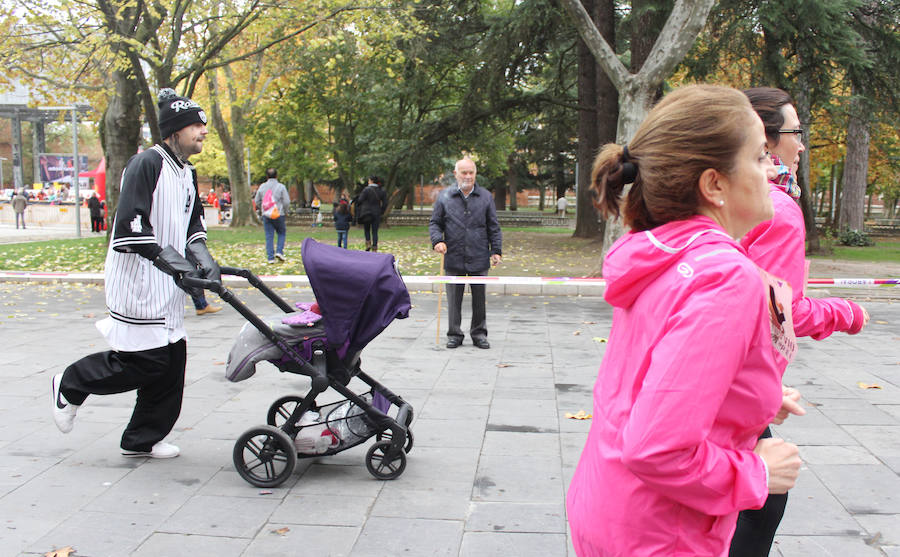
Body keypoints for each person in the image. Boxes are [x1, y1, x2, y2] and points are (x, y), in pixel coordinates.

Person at [565, 85, 803, 556]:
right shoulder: (724, 274)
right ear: (714, 184)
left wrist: (753, 397)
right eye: (758, 158)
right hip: (661, 534)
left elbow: (653, 379)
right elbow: (656, 448)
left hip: (611, 507)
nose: (773, 168)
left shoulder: (665, 250)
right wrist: (757, 471)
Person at [728, 87, 870, 557]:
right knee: (762, 499)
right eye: (796, 132)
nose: (802, 145)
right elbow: (779, 312)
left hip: (721, 368)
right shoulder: (778, 209)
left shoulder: (726, 198)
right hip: (738, 375)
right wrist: (847, 313)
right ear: (765, 142)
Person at [50, 88, 220, 459]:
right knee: (147, 360)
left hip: (169, 282)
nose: (203, 131)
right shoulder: (146, 164)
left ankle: (142, 439)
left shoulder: (187, 173)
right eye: (195, 125)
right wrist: (176, 265)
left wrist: (203, 257)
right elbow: (130, 227)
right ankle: (70, 383)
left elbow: (193, 227)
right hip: (139, 280)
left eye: (204, 125)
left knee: (173, 360)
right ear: (174, 130)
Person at [429, 158, 502, 349]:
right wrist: (438, 240)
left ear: (475, 174)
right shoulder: (444, 197)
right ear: (456, 174)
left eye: (471, 172)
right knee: (454, 299)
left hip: (479, 255)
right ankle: (454, 334)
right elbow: (435, 223)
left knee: (479, 300)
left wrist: (496, 251)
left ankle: (479, 334)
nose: (468, 176)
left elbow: (493, 226)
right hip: (453, 255)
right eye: (464, 172)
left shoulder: (486, 197)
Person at [254, 168, 290, 263]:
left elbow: (257, 200)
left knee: (269, 236)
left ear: (267, 176)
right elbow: (286, 201)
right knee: (281, 233)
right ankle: (279, 251)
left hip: (266, 214)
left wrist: (262, 208)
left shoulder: (262, 187)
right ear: (276, 176)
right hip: (279, 213)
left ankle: (270, 258)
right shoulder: (281, 187)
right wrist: (285, 211)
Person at [357, 175, 387, 251]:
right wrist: (381, 211)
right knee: (375, 231)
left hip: (367, 212)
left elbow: (360, 200)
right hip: (376, 212)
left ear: (371, 181)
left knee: (367, 229)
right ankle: (374, 247)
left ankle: (368, 243)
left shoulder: (366, 190)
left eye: (369, 180)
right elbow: (385, 203)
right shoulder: (381, 191)